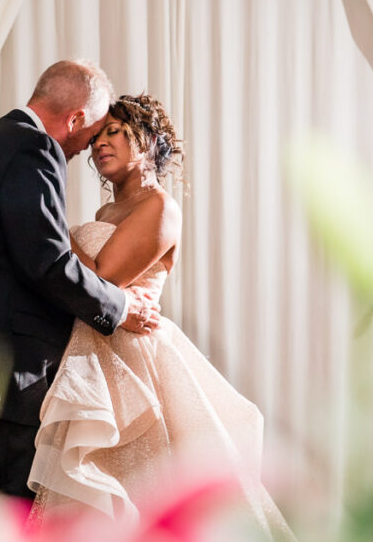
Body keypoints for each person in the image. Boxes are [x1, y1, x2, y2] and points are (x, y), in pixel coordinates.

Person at [28, 95, 293, 538]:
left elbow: (105, 279)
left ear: (147, 141)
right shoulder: (105, 213)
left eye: (114, 131)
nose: (100, 144)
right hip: (95, 353)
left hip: (137, 361)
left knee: (144, 490)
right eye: (96, 138)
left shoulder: (160, 207)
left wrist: (51, 230)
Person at [0, 60, 161, 499]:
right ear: (74, 118)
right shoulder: (33, 149)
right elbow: (47, 263)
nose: (87, 147)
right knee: (1, 519)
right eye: (91, 133)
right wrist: (121, 306)